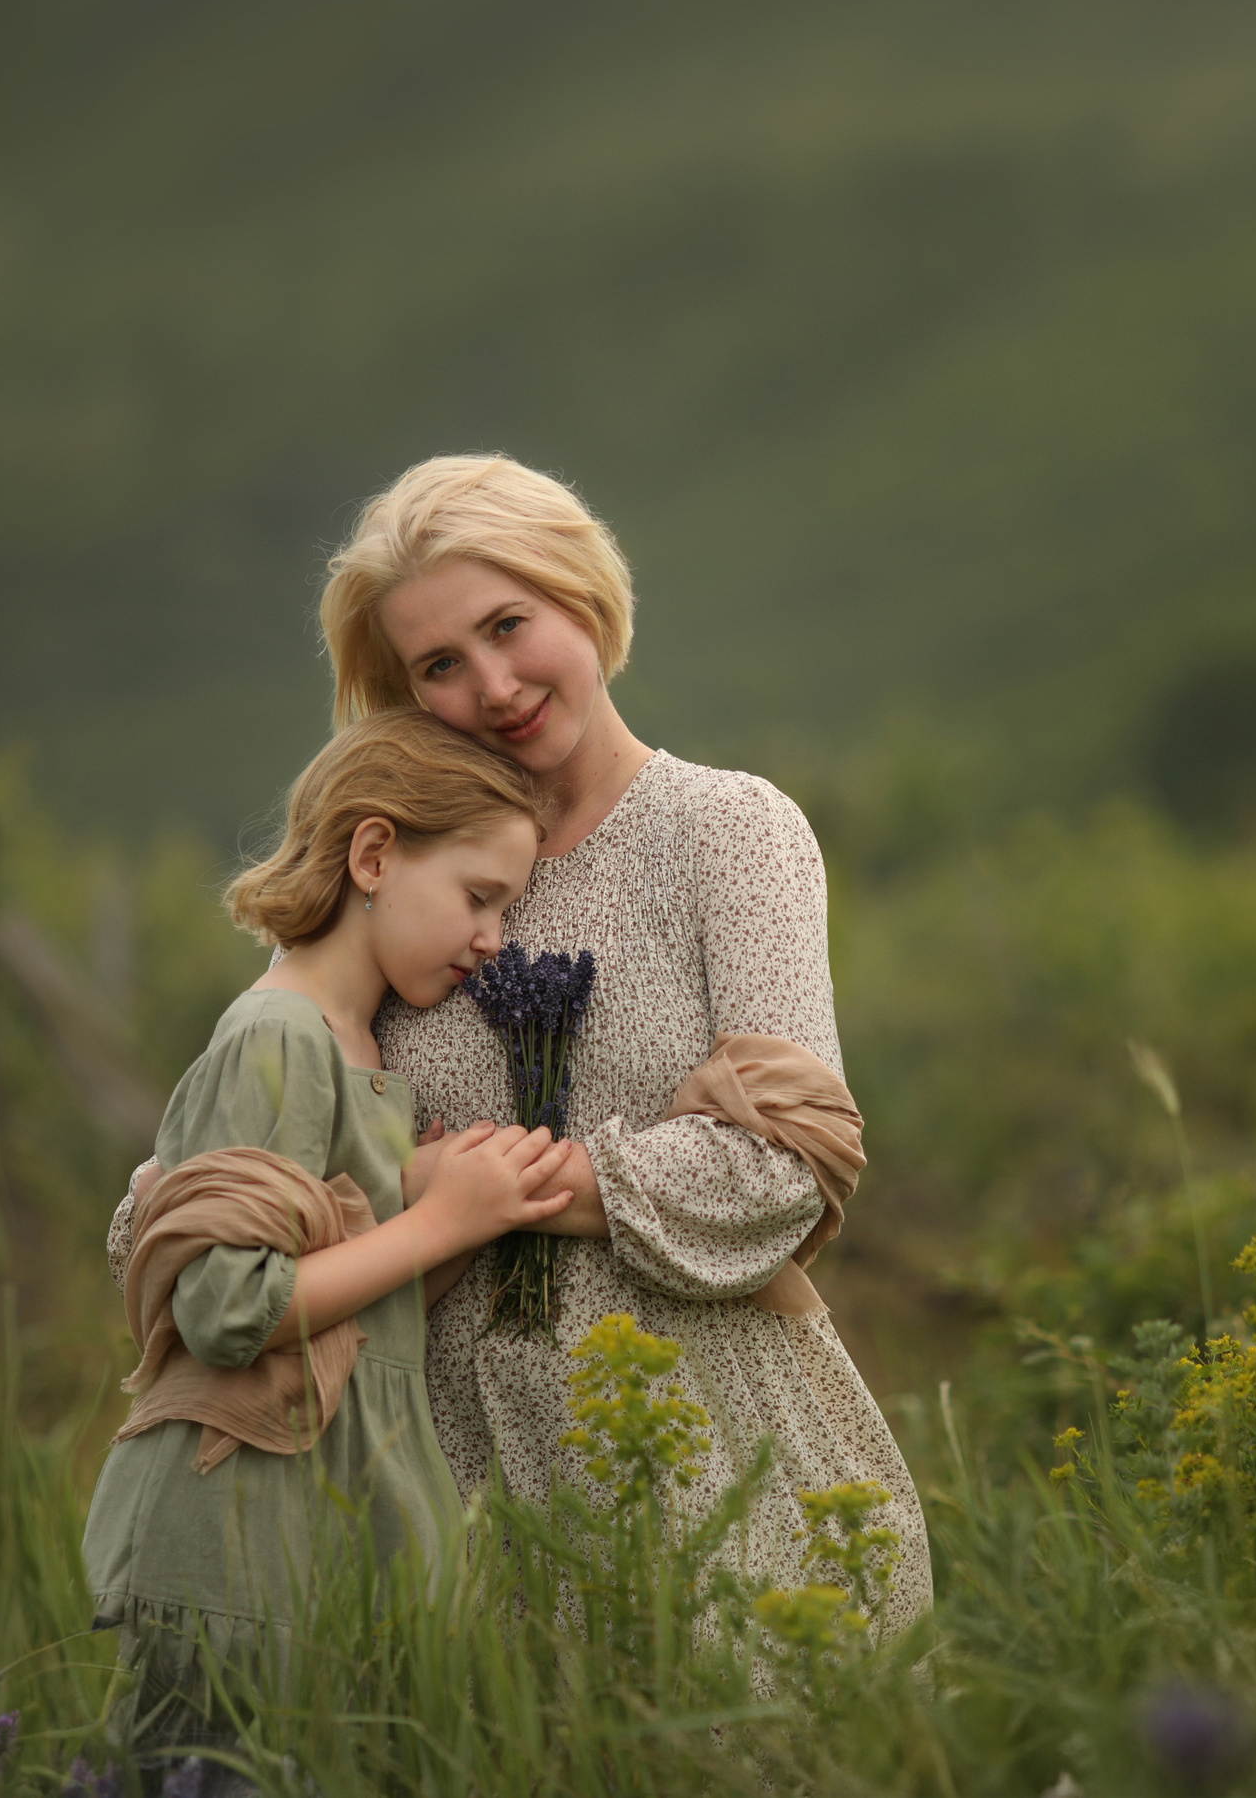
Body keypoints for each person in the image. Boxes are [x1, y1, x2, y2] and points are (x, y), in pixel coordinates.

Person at [319, 454, 932, 1634]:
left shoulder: (724, 832)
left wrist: (500, 1189)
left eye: (511, 624)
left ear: (583, 598)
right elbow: (217, 1196)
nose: (494, 684)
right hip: (449, 1498)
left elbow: (787, 1164)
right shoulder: (386, 865)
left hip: (719, 1469)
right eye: (440, 664)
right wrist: (414, 1194)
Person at [84, 710, 578, 1773]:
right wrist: (440, 1218)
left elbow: (356, 1311)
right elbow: (223, 1308)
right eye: (478, 896)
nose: (496, 936)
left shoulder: (360, 1051)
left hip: (333, 1538)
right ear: (372, 853)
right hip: (246, 1547)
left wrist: (436, 1221)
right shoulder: (274, 1038)